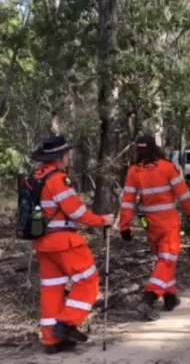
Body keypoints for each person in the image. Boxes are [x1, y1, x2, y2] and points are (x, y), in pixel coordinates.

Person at [29, 135, 114, 354]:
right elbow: (76, 212)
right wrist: (102, 220)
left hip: (42, 242)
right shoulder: (58, 179)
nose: (69, 157)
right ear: (60, 157)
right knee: (88, 281)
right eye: (67, 153)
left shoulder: (35, 177)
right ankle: (66, 325)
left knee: (52, 289)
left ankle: (51, 340)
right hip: (64, 242)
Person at [119, 135, 190, 321]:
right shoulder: (167, 167)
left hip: (150, 223)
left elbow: (128, 201)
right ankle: (149, 298)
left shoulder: (134, 171)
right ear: (156, 148)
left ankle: (169, 297)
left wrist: (125, 225)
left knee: (161, 260)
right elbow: (183, 194)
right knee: (167, 260)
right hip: (168, 221)